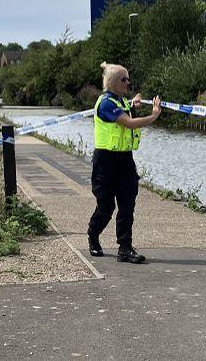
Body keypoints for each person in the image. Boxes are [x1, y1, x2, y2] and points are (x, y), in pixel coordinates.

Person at [87, 62, 161, 264]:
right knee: (106, 207)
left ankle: (125, 248)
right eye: (124, 79)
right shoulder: (106, 104)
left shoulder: (120, 101)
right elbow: (128, 123)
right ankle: (93, 236)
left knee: (127, 204)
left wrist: (134, 104)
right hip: (106, 161)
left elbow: (127, 107)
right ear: (112, 82)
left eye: (128, 78)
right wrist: (153, 115)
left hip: (125, 160)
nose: (128, 82)